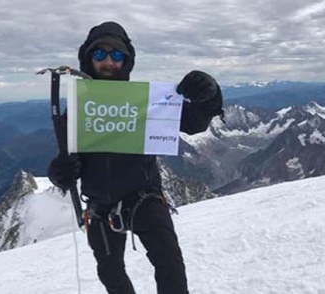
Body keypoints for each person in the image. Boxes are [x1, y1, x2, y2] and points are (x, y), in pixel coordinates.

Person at [48, 21, 223, 294]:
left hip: (142, 196)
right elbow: (69, 159)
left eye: (116, 55)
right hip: (100, 205)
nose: (108, 62)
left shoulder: (146, 101)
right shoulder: (78, 109)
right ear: (87, 58)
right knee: (110, 273)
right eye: (99, 54)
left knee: (170, 264)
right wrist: (59, 172)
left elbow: (194, 122)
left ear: (126, 61)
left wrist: (210, 95)